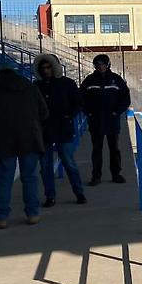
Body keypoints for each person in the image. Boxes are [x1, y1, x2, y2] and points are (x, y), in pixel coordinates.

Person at [0, 62, 49, 229]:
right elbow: (44, 113)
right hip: (30, 139)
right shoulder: (31, 88)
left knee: (4, 180)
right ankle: (32, 214)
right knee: (30, 178)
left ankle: (1, 218)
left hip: (4, 141)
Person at [33, 53, 86, 207]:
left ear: (54, 67)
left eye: (48, 67)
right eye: (43, 68)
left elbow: (78, 103)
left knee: (69, 163)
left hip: (64, 129)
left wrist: (69, 116)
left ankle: (79, 192)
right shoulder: (36, 86)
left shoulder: (67, 83)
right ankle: (50, 196)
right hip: (44, 131)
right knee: (45, 167)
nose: (46, 70)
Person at [79, 53, 131, 186]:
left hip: (112, 121)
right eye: (97, 65)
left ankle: (116, 174)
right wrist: (88, 113)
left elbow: (125, 98)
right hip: (95, 122)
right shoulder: (89, 80)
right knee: (97, 150)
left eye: (102, 64)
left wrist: (116, 112)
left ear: (108, 65)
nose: (100, 67)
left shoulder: (116, 79)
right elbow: (81, 98)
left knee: (114, 149)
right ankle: (96, 176)